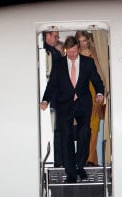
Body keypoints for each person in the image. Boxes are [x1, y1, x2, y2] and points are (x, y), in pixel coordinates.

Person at [40, 36, 104, 183]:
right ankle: (70, 173)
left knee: (84, 134)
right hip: (64, 104)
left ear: (78, 49)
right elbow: (52, 85)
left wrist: (99, 93)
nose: (72, 55)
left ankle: (79, 165)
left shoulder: (88, 62)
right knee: (66, 137)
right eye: (69, 52)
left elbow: (96, 80)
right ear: (66, 50)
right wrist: (45, 100)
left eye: (74, 52)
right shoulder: (59, 64)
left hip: (83, 103)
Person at [75, 31, 106, 166]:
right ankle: (89, 159)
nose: (82, 44)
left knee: (94, 127)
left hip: (94, 94)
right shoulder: (74, 55)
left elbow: (100, 75)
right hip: (81, 94)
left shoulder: (95, 53)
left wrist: (102, 93)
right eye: (80, 41)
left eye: (84, 41)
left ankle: (90, 159)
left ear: (88, 40)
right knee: (84, 127)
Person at [43, 30, 64, 167]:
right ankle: (59, 162)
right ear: (47, 36)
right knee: (58, 132)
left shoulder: (48, 52)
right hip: (56, 99)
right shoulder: (53, 54)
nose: (57, 38)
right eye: (55, 36)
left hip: (52, 99)